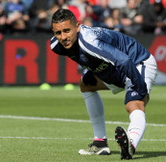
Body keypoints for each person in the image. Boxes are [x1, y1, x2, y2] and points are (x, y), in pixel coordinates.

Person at [50, 9, 157, 160]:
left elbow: (124, 61)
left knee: (133, 104)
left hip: (137, 62)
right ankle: (100, 144)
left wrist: (140, 87)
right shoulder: (56, 46)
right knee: (85, 84)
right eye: (58, 33)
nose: (63, 37)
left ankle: (130, 144)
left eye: (67, 31)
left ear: (78, 27)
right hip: (113, 69)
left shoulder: (89, 41)